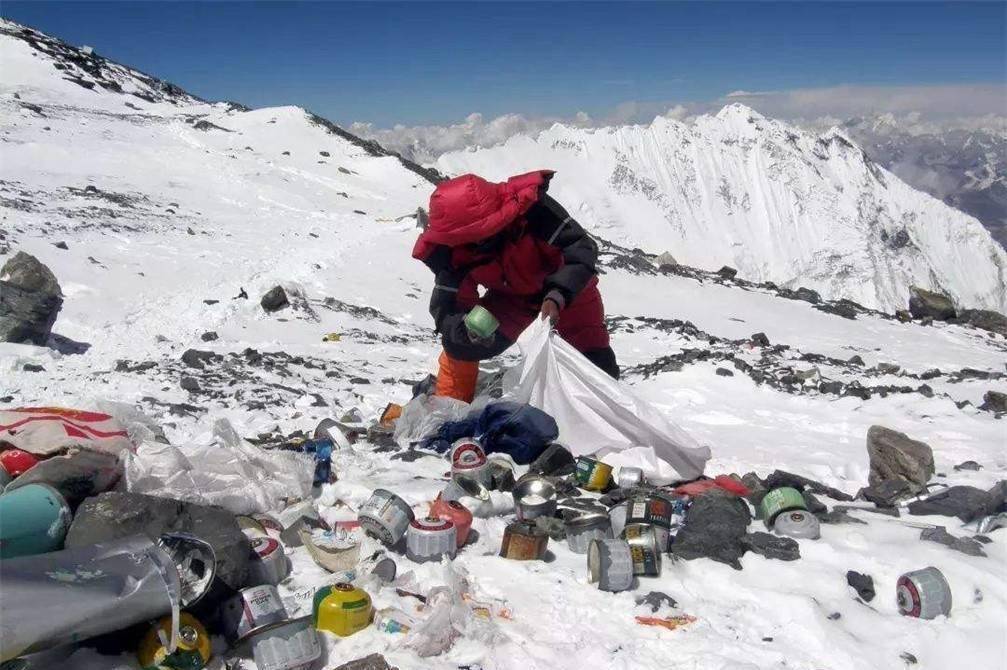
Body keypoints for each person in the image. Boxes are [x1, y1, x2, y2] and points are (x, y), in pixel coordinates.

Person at [412, 170, 619, 402]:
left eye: (484, 234)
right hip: (510, 299)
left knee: (595, 364)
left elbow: (580, 251)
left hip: (568, 292)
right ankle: (450, 408)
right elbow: (450, 306)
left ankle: (602, 417)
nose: (478, 243)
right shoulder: (453, 250)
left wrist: (558, 295)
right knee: (459, 346)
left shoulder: (534, 212)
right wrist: (463, 331)